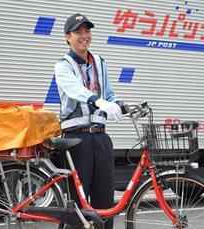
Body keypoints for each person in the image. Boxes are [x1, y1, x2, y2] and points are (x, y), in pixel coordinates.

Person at [54, 13, 122, 229]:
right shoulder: (63, 65)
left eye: (87, 31)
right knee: (79, 201)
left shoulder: (100, 62)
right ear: (67, 37)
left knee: (104, 199)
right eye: (78, 32)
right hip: (76, 139)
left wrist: (120, 104)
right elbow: (76, 90)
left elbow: (109, 93)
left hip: (101, 137)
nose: (84, 36)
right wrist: (99, 101)